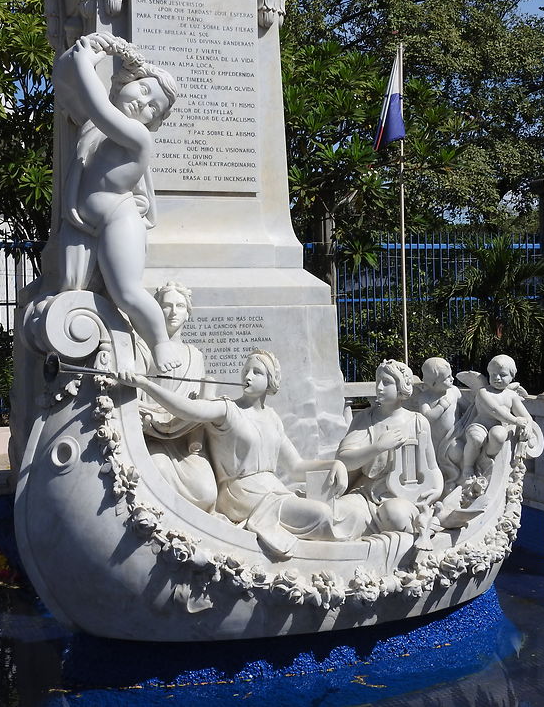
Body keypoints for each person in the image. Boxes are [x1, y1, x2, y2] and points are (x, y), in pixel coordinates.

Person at [120, 350, 371, 559]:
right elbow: (187, 410)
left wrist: (334, 464)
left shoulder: (272, 418)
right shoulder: (227, 410)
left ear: (270, 382)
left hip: (273, 489)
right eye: (246, 371)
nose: (247, 376)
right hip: (242, 494)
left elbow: (295, 467)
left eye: (257, 372)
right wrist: (145, 384)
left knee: (350, 513)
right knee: (323, 514)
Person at [53, 32, 182, 373]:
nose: (144, 103)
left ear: (152, 122)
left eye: (153, 107)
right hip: (85, 221)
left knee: (127, 292)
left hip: (118, 219)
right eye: (144, 90)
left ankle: (160, 342)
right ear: (127, 81)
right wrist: (87, 53)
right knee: (70, 284)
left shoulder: (137, 137)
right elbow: (71, 92)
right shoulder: (95, 128)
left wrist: (85, 63)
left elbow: (97, 104)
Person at [136, 281, 217, 513]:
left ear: (188, 314)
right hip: (151, 436)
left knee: (207, 492)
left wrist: (196, 440)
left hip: (184, 441)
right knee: (158, 470)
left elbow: (197, 407)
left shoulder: (195, 356)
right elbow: (133, 398)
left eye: (180, 306)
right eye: (166, 306)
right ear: (156, 310)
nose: (173, 313)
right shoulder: (145, 348)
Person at [336, 360, 442, 533]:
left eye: (387, 383)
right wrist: (378, 447)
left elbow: (432, 466)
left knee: (395, 514)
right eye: (378, 382)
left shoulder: (418, 422)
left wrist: (437, 489)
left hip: (405, 495)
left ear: (401, 387)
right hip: (367, 492)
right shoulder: (364, 419)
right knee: (338, 512)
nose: (379, 387)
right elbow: (343, 461)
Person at [459, 354, 534, 480]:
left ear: (511, 377)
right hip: (480, 425)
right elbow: (495, 410)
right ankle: (468, 465)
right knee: (476, 438)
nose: (497, 378)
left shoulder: (511, 396)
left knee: (499, 435)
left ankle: (486, 457)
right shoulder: (483, 392)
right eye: (493, 375)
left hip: (497, 427)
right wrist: (516, 421)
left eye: (502, 375)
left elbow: (526, 416)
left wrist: (529, 426)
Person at [411, 357, 462, 489]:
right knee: (433, 464)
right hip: (433, 440)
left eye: (451, 375)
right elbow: (427, 417)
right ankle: (436, 485)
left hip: (451, 437)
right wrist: (442, 405)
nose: (452, 379)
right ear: (433, 383)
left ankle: (454, 481)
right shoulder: (425, 397)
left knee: (455, 457)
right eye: (447, 378)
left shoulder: (454, 391)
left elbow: (467, 407)